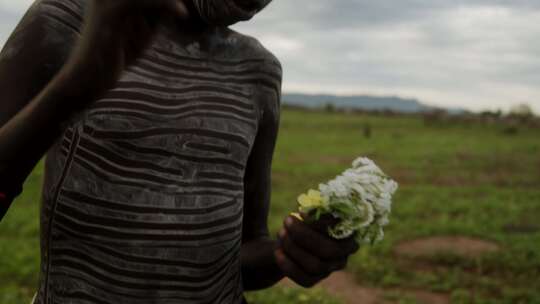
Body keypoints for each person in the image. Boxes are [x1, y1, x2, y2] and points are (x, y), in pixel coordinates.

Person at [0, 0, 360, 303]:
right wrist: (73, 88)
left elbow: (242, 255)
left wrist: (289, 253)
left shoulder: (258, 71)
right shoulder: (71, 22)